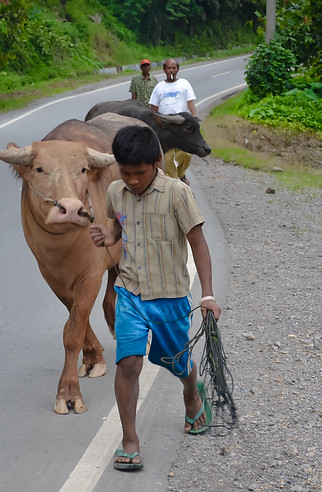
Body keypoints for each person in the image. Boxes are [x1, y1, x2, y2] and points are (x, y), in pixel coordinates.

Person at [89, 125, 222, 471]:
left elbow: (199, 245)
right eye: (125, 172)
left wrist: (207, 294)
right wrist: (107, 234)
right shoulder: (116, 192)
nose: (132, 180)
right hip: (130, 292)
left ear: (158, 161)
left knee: (178, 363)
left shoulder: (177, 194)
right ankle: (130, 439)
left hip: (170, 297)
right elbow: (118, 228)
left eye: (139, 172)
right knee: (129, 362)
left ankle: (192, 392)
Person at [149, 58, 197, 185]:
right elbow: (154, 109)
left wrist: (194, 116)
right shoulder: (159, 87)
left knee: (186, 154)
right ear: (164, 69)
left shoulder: (184, 84)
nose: (171, 70)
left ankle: (181, 174)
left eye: (174, 68)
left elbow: (190, 102)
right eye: (169, 68)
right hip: (166, 126)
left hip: (182, 125)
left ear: (178, 69)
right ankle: (173, 181)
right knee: (168, 156)